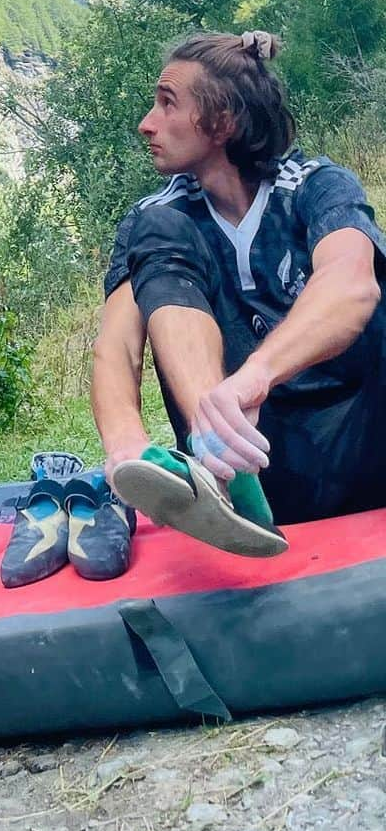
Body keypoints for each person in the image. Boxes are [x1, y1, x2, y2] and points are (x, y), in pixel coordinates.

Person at [91, 31, 386, 555]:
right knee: (157, 227)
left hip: (360, 446)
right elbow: (117, 345)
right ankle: (221, 464)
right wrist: (124, 447)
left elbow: (351, 282)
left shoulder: (315, 186)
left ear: (223, 123)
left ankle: (224, 437)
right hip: (251, 465)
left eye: (167, 103)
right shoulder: (157, 219)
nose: (147, 123)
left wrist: (254, 377)